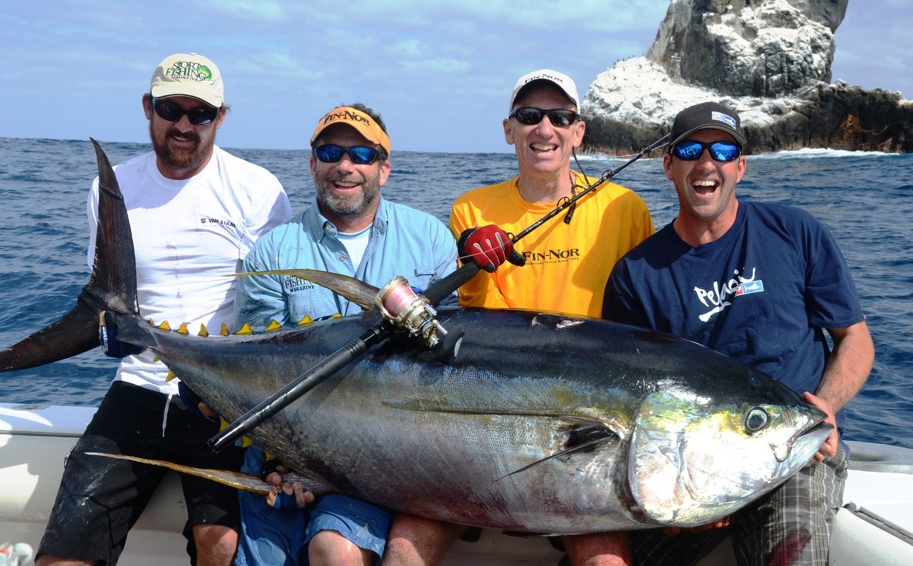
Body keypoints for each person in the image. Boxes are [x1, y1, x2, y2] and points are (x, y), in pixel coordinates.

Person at [382, 69, 654, 566]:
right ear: (509, 130)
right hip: (488, 414)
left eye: (559, 117)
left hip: (581, 424)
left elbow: (645, 314)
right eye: (529, 117)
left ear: (579, 131)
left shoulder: (624, 208)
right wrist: (466, 251)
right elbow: (464, 309)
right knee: (402, 552)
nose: (543, 129)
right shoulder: (472, 208)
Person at [36, 53, 293, 566]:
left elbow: (277, 306)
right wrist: (109, 330)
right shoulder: (111, 189)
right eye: (169, 107)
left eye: (199, 113)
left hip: (224, 396)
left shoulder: (258, 191)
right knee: (63, 555)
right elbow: (106, 296)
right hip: (138, 389)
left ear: (221, 118)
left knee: (220, 544)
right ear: (147, 108)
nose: (182, 124)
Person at [602, 101, 875, 565]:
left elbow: (855, 338)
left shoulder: (795, 232)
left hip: (795, 455)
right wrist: (695, 481)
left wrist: (826, 407)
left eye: (723, 151)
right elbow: (628, 395)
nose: (707, 163)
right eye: (690, 149)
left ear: (740, 167)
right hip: (691, 462)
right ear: (668, 165)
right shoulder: (636, 274)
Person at [233, 103, 458, 566]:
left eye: (362, 153)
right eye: (330, 151)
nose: (345, 166)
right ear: (313, 163)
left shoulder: (430, 238)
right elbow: (257, 366)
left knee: (335, 549)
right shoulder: (275, 251)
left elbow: (444, 363)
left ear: (384, 168)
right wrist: (285, 458)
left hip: (382, 450)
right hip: (286, 443)